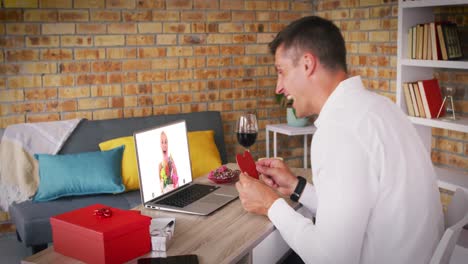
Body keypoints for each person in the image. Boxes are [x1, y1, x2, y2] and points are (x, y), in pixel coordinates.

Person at [235, 16, 443, 264]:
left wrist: (270, 204)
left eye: (281, 72)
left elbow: (331, 259)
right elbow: (354, 208)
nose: (279, 87)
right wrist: (296, 187)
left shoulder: (340, 130)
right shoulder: (380, 107)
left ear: (307, 64)